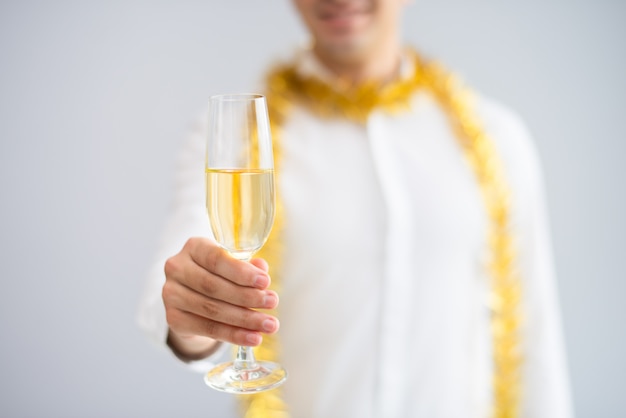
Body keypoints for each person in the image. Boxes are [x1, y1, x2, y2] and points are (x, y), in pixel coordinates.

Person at [138, 1, 573, 417]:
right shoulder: (235, 138)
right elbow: (174, 286)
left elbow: (534, 333)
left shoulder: (497, 137)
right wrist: (192, 313)